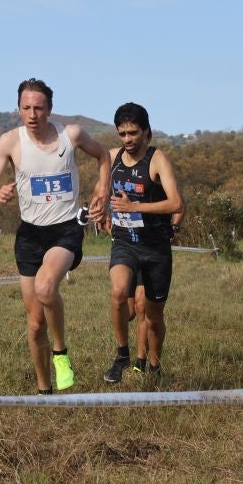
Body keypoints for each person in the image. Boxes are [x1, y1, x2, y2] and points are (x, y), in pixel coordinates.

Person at [0, 78, 110, 394]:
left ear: (50, 109)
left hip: (66, 229)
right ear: (19, 109)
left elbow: (103, 155)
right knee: (36, 324)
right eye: (26, 108)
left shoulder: (71, 134)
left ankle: (61, 354)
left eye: (39, 108)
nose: (32, 114)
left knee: (46, 286)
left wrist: (102, 188)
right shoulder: (10, 142)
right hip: (29, 236)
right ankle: (44, 391)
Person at [103, 102, 183, 385]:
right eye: (122, 133)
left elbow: (176, 202)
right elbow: (99, 192)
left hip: (156, 248)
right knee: (118, 291)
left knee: (153, 316)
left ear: (146, 132)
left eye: (133, 133)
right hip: (125, 243)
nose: (127, 139)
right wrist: (100, 211)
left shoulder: (157, 159)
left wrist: (133, 206)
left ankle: (154, 364)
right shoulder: (111, 157)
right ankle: (122, 355)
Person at [125, 204, 185, 374]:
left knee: (143, 306)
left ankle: (144, 361)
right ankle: (133, 357)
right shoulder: (116, 179)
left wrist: (174, 226)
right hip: (127, 247)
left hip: (150, 247)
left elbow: (179, 204)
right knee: (130, 313)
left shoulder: (157, 180)